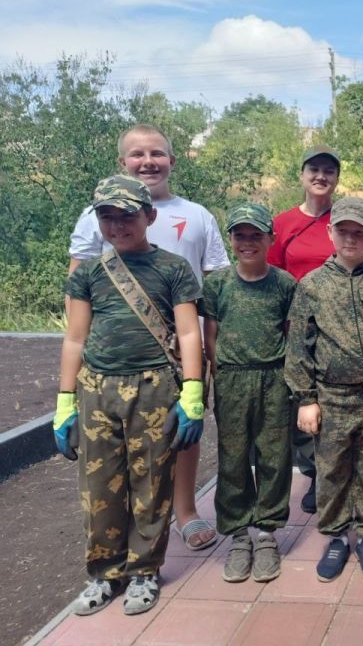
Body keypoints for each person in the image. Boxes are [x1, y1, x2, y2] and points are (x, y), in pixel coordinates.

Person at [68, 124, 229, 552]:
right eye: (136, 154)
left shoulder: (197, 214)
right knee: (119, 452)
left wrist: (210, 351)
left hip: (182, 349)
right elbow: (77, 285)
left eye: (156, 153)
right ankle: (120, 532)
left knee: (182, 432)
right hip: (116, 358)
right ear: (122, 162)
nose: (147, 162)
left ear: (172, 161)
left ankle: (186, 511)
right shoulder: (94, 215)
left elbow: (215, 283)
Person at [56, 174, 204, 616]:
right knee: (98, 486)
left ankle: (144, 571)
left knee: (151, 481)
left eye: (127, 215)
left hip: (154, 387)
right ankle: (105, 573)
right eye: (108, 217)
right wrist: (65, 400)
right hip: (98, 391)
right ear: (97, 221)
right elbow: (75, 339)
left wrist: (192, 391)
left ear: (149, 216)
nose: (118, 225)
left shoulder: (173, 268)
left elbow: (188, 330)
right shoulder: (89, 274)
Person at [285, 197, 363, 582]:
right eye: (344, 230)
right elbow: (298, 346)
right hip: (331, 397)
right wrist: (306, 399)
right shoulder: (313, 285)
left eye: (360, 231)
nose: (352, 238)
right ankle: (337, 536)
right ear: (331, 233)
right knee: (333, 469)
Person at [268, 145, 363, 514]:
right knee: (306, 403)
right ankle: (315, 475)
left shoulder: (350, 221)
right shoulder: (282, 224)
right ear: (301, 174)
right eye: (314, 169)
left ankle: (348, 477)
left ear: (337, 178)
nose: (321, 176)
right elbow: (272, 277)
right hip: (297, 326)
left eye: (329, 171)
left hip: (343, 329)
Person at [203, 203, 297, 584]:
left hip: (274, 377)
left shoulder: (285, 283)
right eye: (239, 235)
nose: (247, 242)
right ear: (230, 240)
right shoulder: (217, 283)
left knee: (275, 456)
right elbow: (211, 333)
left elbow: (291, 334)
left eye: (255, 235)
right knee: (234, 457)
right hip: (232, 378)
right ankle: (239, 533)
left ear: (270, 239)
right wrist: (218, 372)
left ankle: (267, 532)